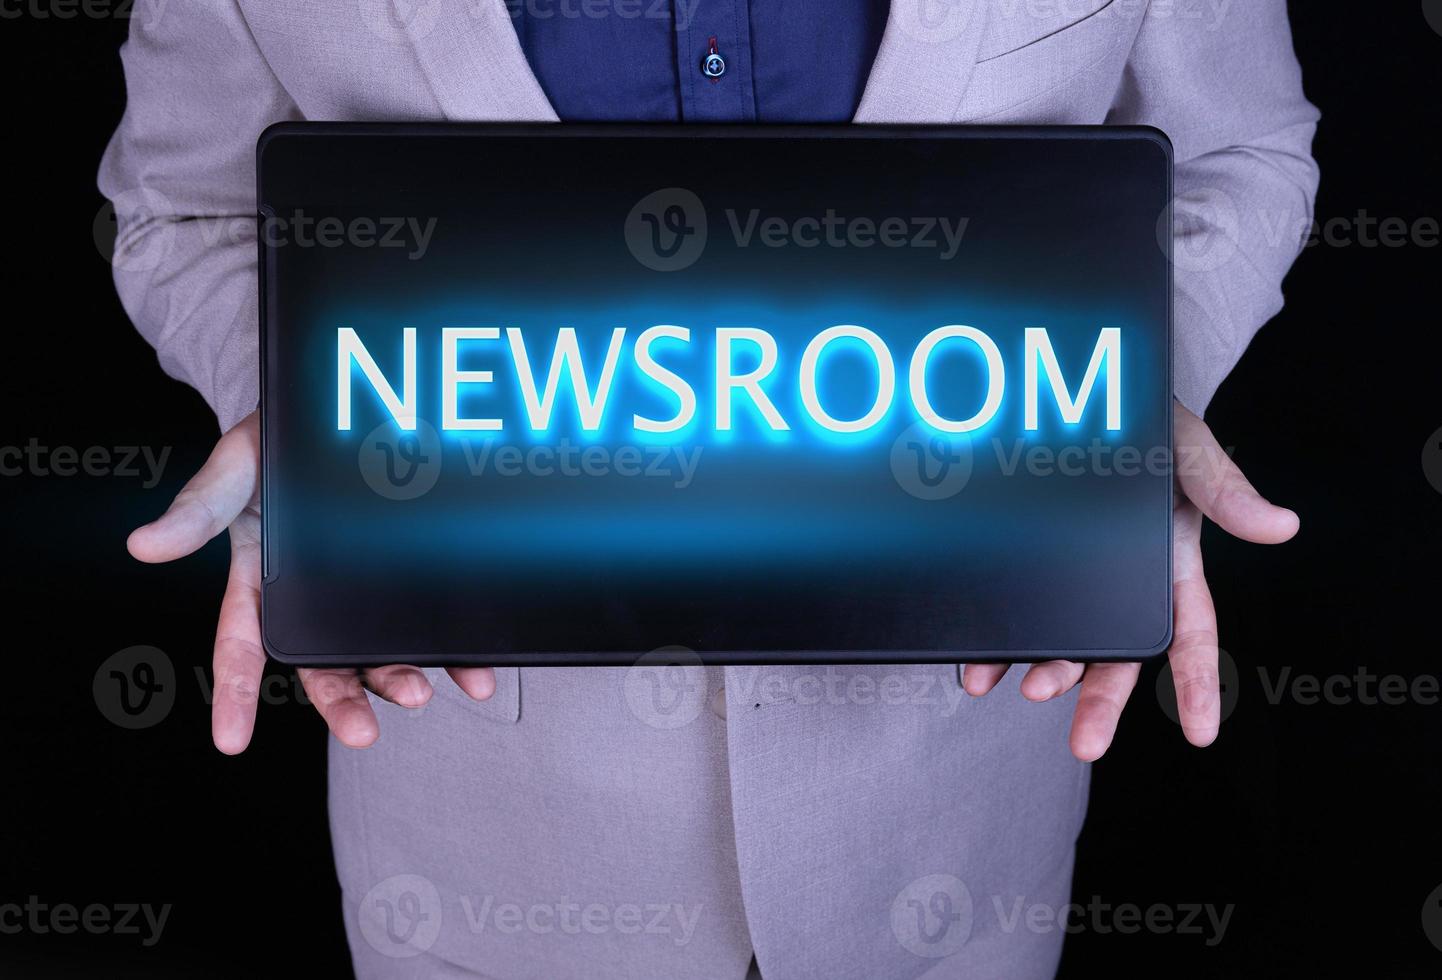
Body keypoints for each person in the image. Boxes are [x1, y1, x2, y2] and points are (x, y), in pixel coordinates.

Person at [99, 1, 1317, 977]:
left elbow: (1239, 153)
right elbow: (185, 209)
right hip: (495, 848)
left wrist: (1108, 405)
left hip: (948, 832)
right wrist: (318, 410)